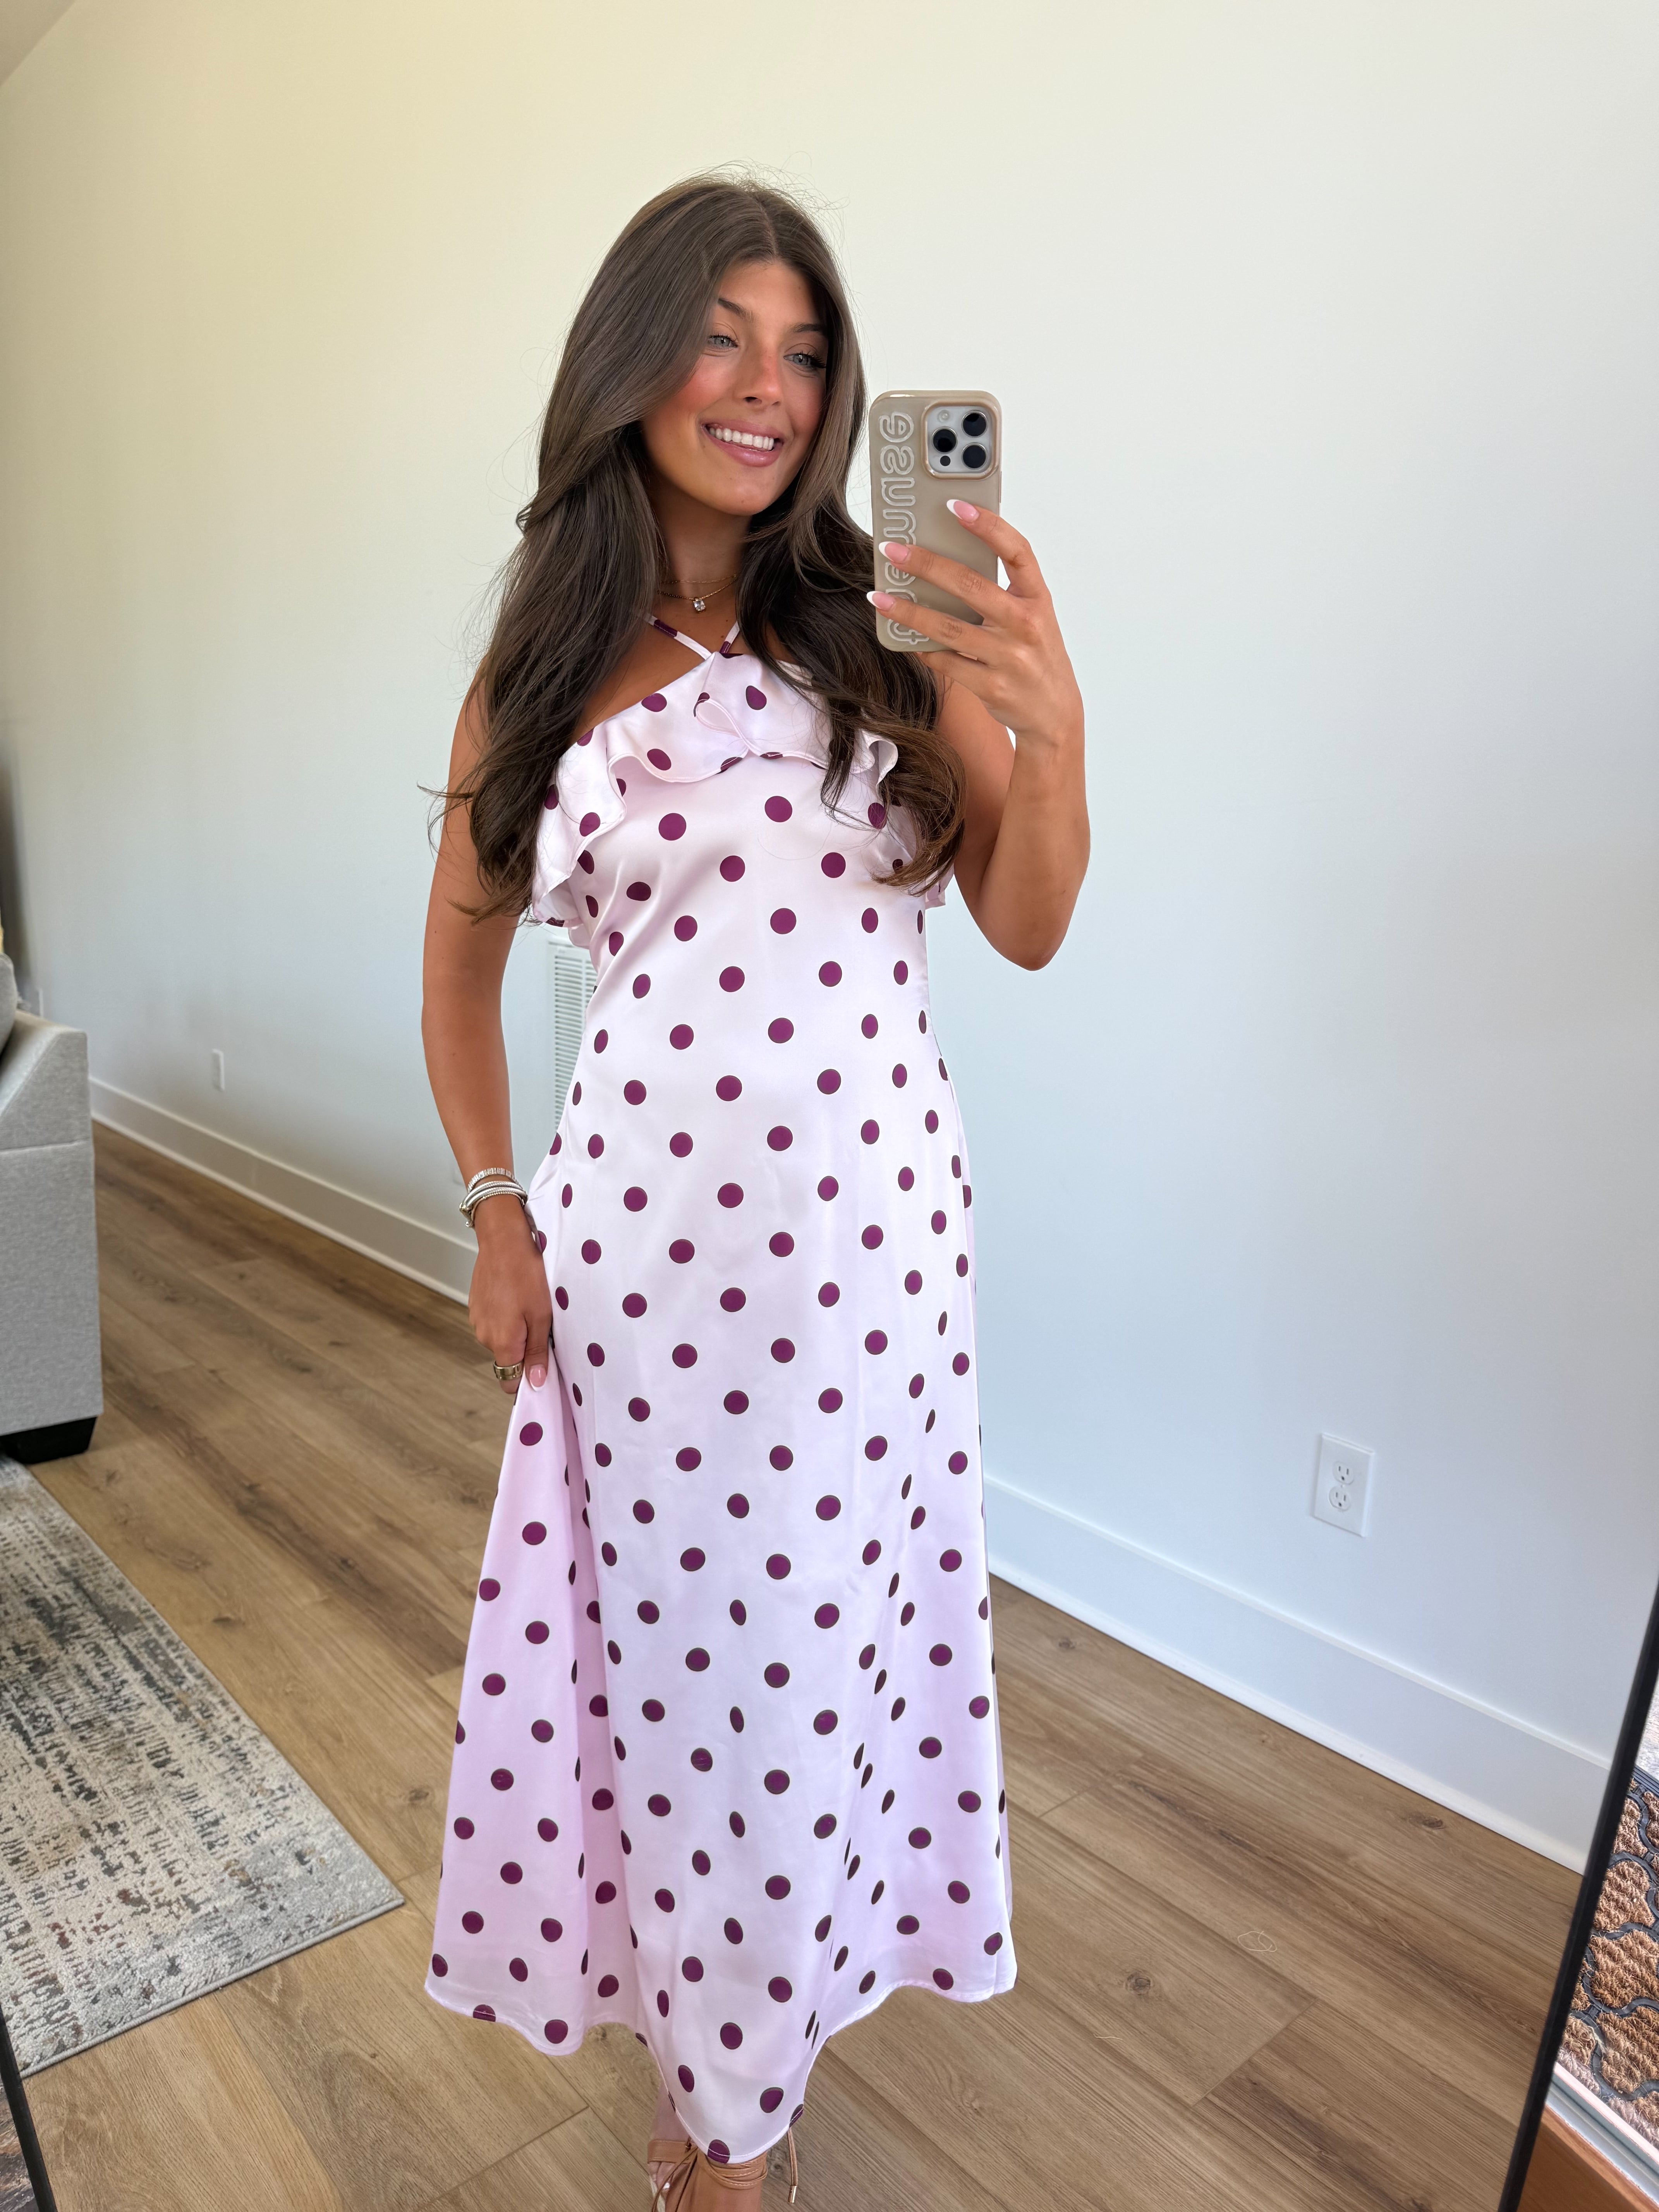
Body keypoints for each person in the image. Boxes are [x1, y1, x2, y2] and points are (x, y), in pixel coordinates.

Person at [419, 172, 1087, 2210]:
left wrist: (1051, 728)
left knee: (813, 1691)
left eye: (802, 352)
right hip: (643, 1283)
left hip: (875, 1276)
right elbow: (455, 974)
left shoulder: (890, 625)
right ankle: (727, 2111)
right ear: (632, 359)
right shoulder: (544, 667)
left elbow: (1026, 920)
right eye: (719, 335)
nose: (765, 387)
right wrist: (494, 1211)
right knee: (686, 1696)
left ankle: (737, 2094)